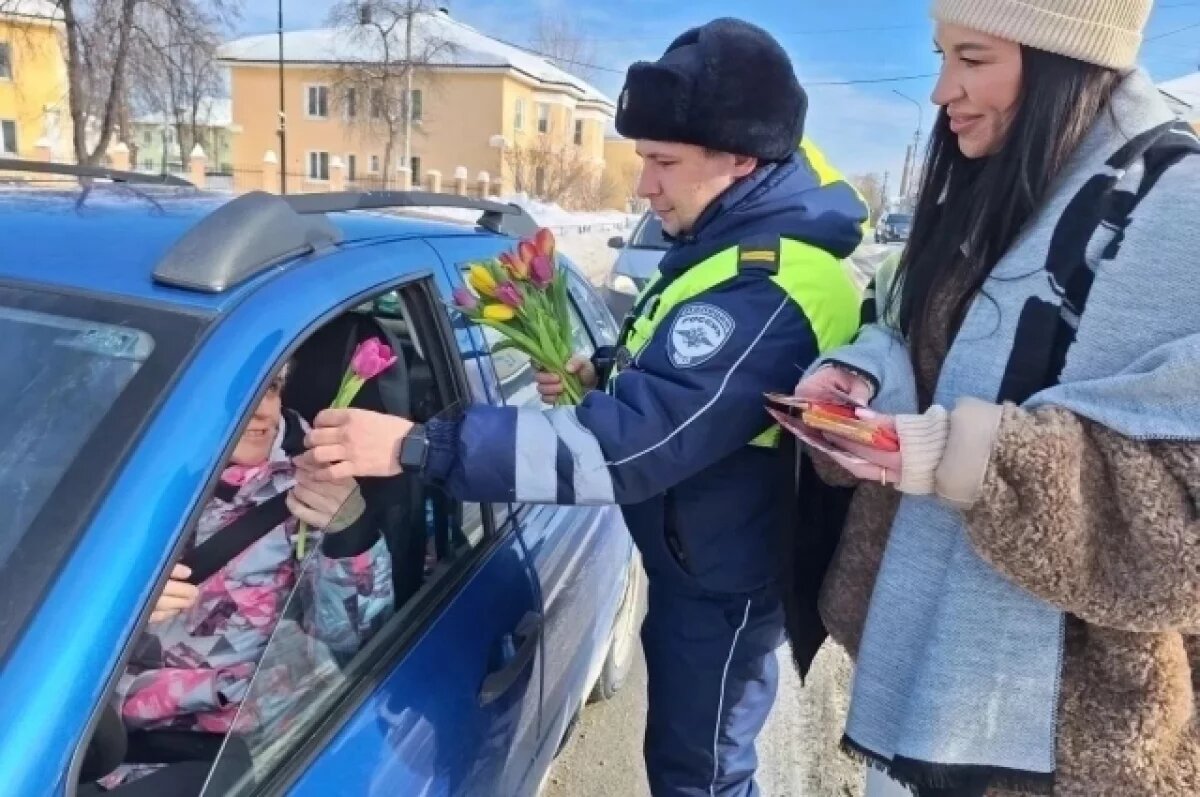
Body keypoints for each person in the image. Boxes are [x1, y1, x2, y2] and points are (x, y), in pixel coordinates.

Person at [301, 17, 868, 796]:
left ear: (742, 159)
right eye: (643, 159)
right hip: (704, 556)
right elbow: (696, 387)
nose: (643, 186)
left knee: (701, 776)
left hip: (725, 581)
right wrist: (605, 373)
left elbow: (626, 449)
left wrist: (416, 446)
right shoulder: (731, 245)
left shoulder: (770, 285)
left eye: (664, 162)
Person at [792, 1, 1200, 796]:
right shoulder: (993, 192)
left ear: (1065, 62)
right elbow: (911, 334)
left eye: (973, 59)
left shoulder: (1178, 216)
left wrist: (968, 457)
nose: (942, 90)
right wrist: (863, 374)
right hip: (918, 693)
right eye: (942, 55)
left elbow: (1183, 527)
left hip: (1063, 751)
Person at [98, 364, 394, 790]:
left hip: (225, 756)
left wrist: (351, 533)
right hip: (82, 733)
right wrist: (114, 612)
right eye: (233, 391)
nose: (261, 410)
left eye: (270, 387)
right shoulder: (113, 480)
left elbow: (354, 644)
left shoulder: (311, 486)